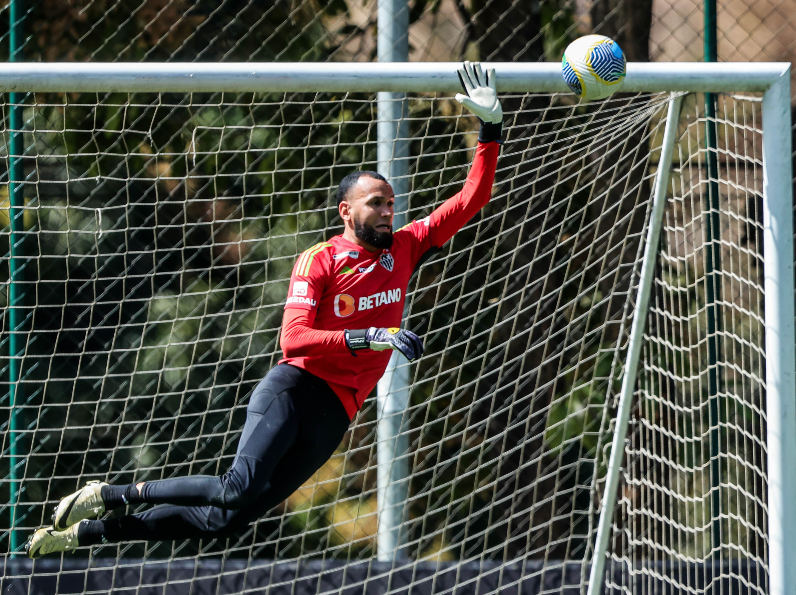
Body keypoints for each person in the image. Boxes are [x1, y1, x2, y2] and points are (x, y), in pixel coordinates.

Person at [26, 61, 504, 558]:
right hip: (295, 390)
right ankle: (109, 495)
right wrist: (370, 338)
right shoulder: (319, 259)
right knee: (236, 487)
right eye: (376, 203)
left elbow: (473, 198)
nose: (388, 211)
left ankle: (87, 534)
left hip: (337, 411)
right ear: (347, 211)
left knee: (223, 521)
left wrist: (489, 128)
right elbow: (294, 340)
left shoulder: (405, 247)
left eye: (390, 203)